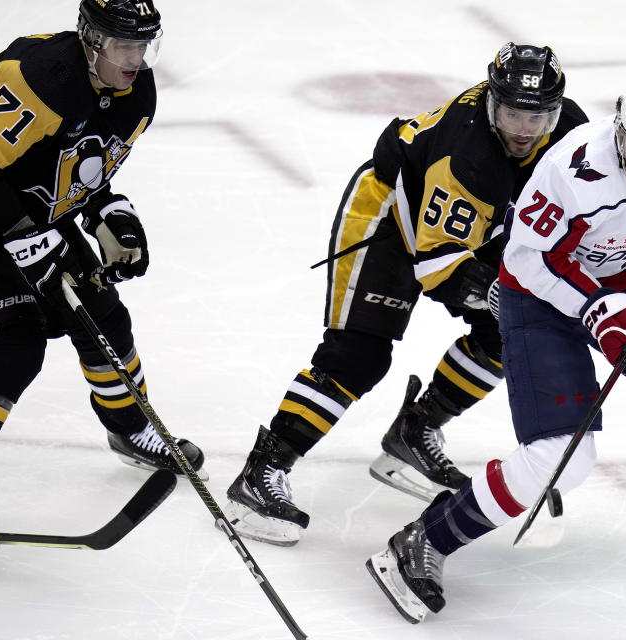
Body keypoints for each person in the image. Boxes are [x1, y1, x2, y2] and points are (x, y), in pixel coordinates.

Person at [367, 71, 626, 623]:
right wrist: (598, 310)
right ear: (620, 121)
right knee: (559, 458)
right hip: (539, 297)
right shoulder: (572, 168)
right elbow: (527, 260)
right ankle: (423, 541)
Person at [224, 43, 589, 546]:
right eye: (511, 114)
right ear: (491, 104)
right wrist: (510, 295)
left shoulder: (572, 130)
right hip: (389, 221)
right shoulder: (467, 158)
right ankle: (262, 470)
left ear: (557, 106)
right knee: (358, 355)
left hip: (476, 224)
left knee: (504, 337)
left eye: (538, 115)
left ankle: (413, 433)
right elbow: (439, 268)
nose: (525, 130)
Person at [0, 0, 205, 573]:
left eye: (144, 44)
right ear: (91, 40)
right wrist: (29, 241)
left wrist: (111, 216)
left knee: (102, 315)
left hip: (24, 215)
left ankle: (128, 428)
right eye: (125, 45)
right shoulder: (35, 79)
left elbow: (78, 174)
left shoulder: (135, 94)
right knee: (13, 347)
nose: (137, 58)